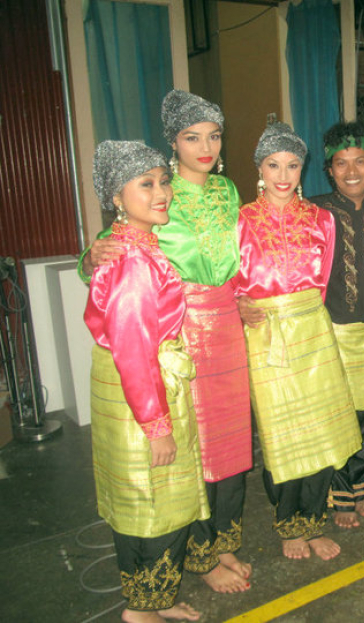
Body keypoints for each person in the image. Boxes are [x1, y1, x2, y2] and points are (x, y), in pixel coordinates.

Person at [82, 90, 253, 593]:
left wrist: (244, 295)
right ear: (172, 143)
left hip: (226, 326)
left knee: (230, 445)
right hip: (179, 332)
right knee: (192, 449)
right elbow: (110, 257)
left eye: (213, 135)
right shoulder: (156, 188)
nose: (204, 146)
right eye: (191, 137)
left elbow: (240, 252)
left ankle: (224, 542)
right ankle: (200, 556)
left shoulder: (226, 190)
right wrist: (89, 259)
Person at [85, 140, 209, 623]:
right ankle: (142, 610)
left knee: (145, 497)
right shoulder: (132, 261)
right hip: (142, 390)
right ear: (117, 197)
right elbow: (134, 350)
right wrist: (156, 425)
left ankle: (152, 598)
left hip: (139, 385)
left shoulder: (136, 245)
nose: (162, 193)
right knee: (157, 498)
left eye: (163, 181)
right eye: (146, 184)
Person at [235, 122, 361, 561]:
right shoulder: (241, 220)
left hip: (313, 330)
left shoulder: (322, 219)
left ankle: (313, 521)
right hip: (266, 336)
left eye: (292, 165)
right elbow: (231, 280)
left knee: (322, 432)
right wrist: (239, 305)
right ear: (259, 168)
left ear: (303, 168)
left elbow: (323, 281)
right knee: (282, 437)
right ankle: (289, 525)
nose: (283, 175)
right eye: (274, 165)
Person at [309, 122, 364, 529]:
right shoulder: (315, 210)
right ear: (329, 169)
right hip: (331, 329)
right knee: (336, 412)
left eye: (360, 161)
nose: (351, 171)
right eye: (341, 163)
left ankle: (359, 480)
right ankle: (341, 491)